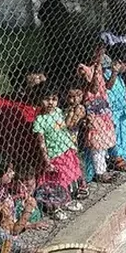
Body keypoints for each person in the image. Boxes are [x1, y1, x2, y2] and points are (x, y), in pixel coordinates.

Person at [32, 84, 84, 220]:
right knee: (56, 182)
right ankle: (55, 208)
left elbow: (67, 127)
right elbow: (41, 142)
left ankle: (66, 201)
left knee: (67, 178)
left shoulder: (58, 112)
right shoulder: (39, 120)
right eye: (47, 99)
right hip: (54, 154)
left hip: (66, 150)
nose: (50, 103)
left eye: (54, 99)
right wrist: (47, 160)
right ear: (39, 99)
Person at [78, 51, 117, 184]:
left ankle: (103, 168)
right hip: (93, 108)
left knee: (105, 138)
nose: (101, 56)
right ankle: (99, 172)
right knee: (96, 141)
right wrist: (95, 71)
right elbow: (94, 89)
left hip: (102, 107)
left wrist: (114, 72)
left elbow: (107, 87)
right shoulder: (83, 68)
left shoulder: (98, 67)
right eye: (99, 53)